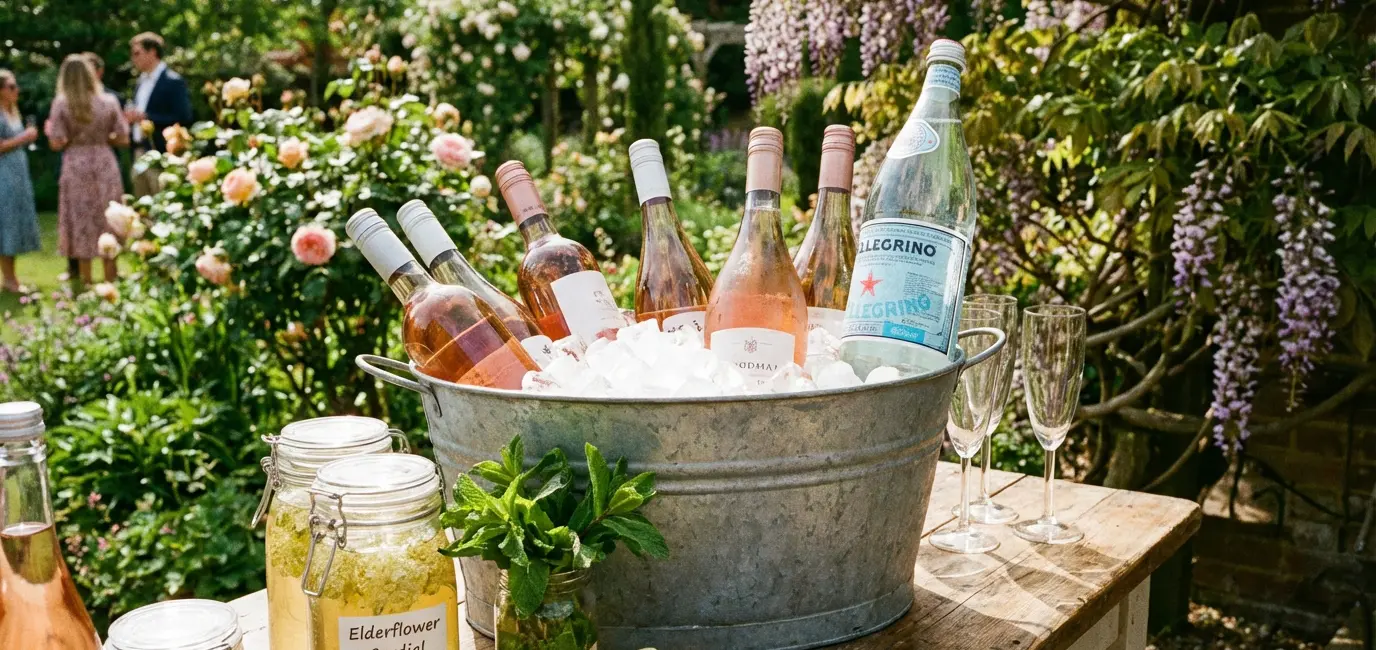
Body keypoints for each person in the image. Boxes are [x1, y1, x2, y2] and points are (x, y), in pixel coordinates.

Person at [47, 55, 128, 286]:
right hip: (104, 162)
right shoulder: (109, 101)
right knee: (107, 218)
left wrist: (73, 139)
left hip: (76, 163)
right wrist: (102, 138)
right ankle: (111, 278)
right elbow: (123, 137)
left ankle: (87, 281)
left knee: (81, 220)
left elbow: (55, 142)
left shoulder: (62, 104)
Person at [125, 32, 191, 196]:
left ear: (152, 51)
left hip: (161, 154)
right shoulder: (140, 81)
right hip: (139, 152)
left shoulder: (173, 81)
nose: (134, 59)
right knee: (142, 210)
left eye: (137, 53)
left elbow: (183, 117)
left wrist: (147, 118)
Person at [0, 70, 41, 293]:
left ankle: (10, 277)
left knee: (15, 222)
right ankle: (9, 279)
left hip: (17, 174)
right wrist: (23, 138)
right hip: (3, 175)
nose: (17, 91)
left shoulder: (12, 112)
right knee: (6, 223)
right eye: (11, 87)